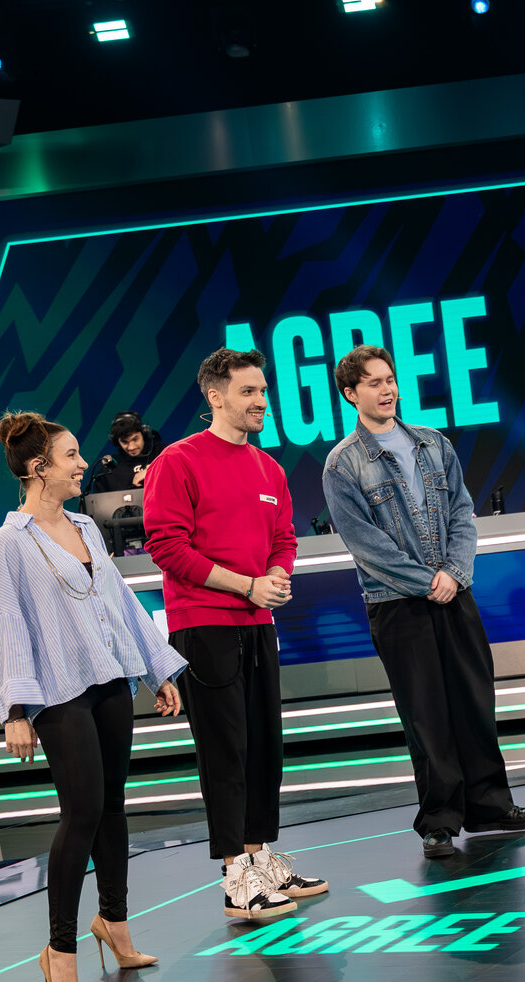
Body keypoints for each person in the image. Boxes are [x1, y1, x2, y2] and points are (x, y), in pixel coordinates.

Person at [0, 411, 189, 982]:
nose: (81, 465)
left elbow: (121, 602)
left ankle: (114, 924)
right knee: (82, 813)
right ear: (37, 467)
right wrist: (15, 709)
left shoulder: (86, 527)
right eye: (70, 455)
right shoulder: (9, 543)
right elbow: (5, 628)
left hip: (110, 680)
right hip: (57, 693)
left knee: (113, 808)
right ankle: (59, 954)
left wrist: (156, 669)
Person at [322, 344, 525, 858]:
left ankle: (490, 805)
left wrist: (455, 573)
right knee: (425, 713)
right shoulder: (342, 464)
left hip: (454, 591)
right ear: (351, 394)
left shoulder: (432, 443)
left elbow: (463, 513)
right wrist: (428, 580)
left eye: (390, 380)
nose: (387, 390)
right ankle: (440, 820)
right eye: (374, 383)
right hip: (398, 603)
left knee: (474, 701)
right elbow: (364, 544)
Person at [145, 348, 325, 919]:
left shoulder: (269, 469)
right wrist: (247, 585)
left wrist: (276, 575)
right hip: (204, 625)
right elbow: (167, 548)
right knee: (225, 752)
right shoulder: (178, 461)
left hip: (257, 624)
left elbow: (284, 540)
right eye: (249, 391)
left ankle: (259, 855)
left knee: (264, 747)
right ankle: (234, 875)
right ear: (215, 396)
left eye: (263, 391)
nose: (261, 401)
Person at [89, 411, 165, 494]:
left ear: (144, 434)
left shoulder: (163, 452)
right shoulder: (108, 468)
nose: (131, 447)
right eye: (124, 442)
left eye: (135, 439)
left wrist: (152, 469)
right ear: (116, 441)